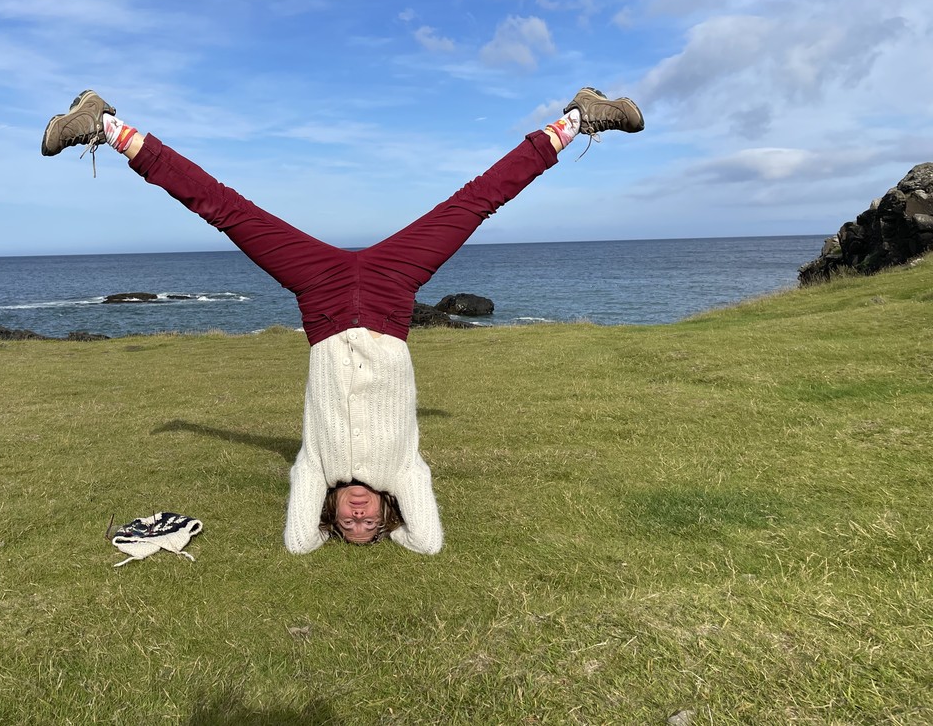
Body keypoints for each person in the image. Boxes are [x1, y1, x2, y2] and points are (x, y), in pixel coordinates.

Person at [41, 88, 643, 553]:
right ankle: (578, 119)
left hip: (324, 299)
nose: (358, 515)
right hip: (387, 293)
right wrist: (399, 528)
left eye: (348, 522)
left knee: (223, 209)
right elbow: (428, 541)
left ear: (329, 510)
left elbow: (298, 542)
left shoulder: (315, 468)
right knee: (477, 201)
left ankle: (106, 125)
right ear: (388, 509)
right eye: (369, 521)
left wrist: (325, 527)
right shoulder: (403, 471)